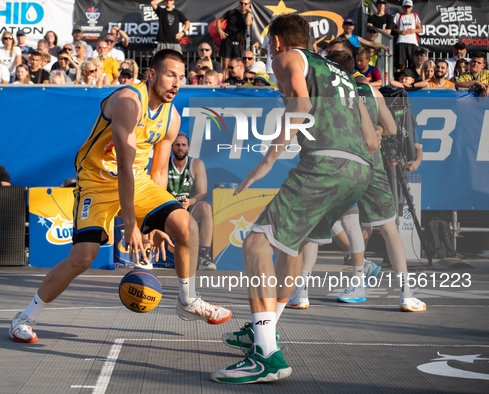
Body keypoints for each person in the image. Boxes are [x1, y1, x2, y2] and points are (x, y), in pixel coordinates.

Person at [8, 49, 232, 344]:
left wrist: (154, 224)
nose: (176, 83)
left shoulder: (172, 117)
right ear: (152, 75)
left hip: (138, 181)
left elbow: (159, 172)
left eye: (181, 77)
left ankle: (187, 301)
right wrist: (132, 224)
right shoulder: (129, 101)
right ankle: (25, 317)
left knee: (186, 226)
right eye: (169, 75)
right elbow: (124, 166)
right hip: (98, 181)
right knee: (82, 258)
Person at [213, 13, 378, 384]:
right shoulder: (340, 73)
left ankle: (265, 355)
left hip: (325, 164)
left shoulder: (287, 58)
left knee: (255, 243)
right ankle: (263, 330)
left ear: (275, 42)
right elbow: (371, 138)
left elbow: (301, 108)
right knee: (290, 248)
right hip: (360, 170)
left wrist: (265, 163)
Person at [288, 50, 426, 312]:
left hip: (334, 163)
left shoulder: (321, 91)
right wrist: (379, 130)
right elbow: (392, 129)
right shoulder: (371, 92)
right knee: (389, 230)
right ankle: (405, 293)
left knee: (317, 229)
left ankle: (302, 291)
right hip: (368, 165)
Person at [168, 133, 215, 270]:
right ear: (171, 148)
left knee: (206, 207)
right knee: (148, 205)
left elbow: (203, 194)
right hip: (169, 211)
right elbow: (157, 189)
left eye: (183, 145)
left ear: (188, 148)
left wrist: (191, 201)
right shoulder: (164, 163)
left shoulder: (196, 164)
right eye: (177, 145)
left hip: (190, 210)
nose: (180, 148)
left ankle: (204, 258)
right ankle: (146, 256)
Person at [216, 0, 253, 81]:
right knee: (225, 66)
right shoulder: (231, 12)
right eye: (241, 3)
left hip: (239, 43)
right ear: (239, 3)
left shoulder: (248, 15)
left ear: (249, 5)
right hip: (227, 41)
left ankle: (240, 84)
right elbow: (218, 20)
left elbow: (248, 23)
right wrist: (220, 31)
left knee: (240, 66)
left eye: (245, 4)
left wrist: (250, 12)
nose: (243, 5)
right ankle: (225, 84)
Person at [393, 0, 422, 71]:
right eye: (405, 7)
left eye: (408, 7)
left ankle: (412, 78)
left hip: (412, 42)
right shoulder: (398, 15)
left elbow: (420, 29)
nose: (407, 9)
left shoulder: (415, 15)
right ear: (402, 7)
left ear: (411, 7)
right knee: (402, 63)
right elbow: (392, 29)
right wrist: (399, 31)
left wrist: (414, 30)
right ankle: (402, 77)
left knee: (412, 62)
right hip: (401, 41)